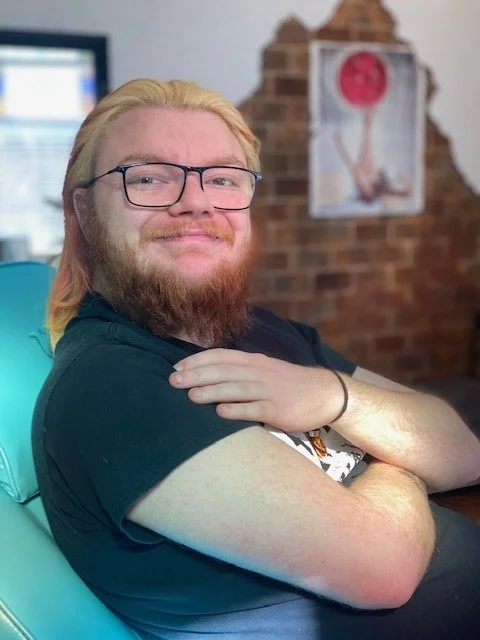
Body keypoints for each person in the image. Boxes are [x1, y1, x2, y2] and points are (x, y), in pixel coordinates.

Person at [32, 78, 480, 640]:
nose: (196, 201)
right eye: (147, 177)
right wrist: (395, 456)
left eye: (222, 178)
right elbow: (382, 568)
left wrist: (330, 395)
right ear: (83, 208)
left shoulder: (259, 328)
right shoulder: (111, 385)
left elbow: (461, 452)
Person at [334, 107, 413, 203]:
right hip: (375, 180)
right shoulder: (374, 183)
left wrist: (340, 145)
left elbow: (349, 162)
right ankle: (369, 115)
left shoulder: (361, 176)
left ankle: (369, 115)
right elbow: (406, 193)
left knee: (365, 152)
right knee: (367, 148)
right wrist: (402, 179)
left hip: (369, 178)